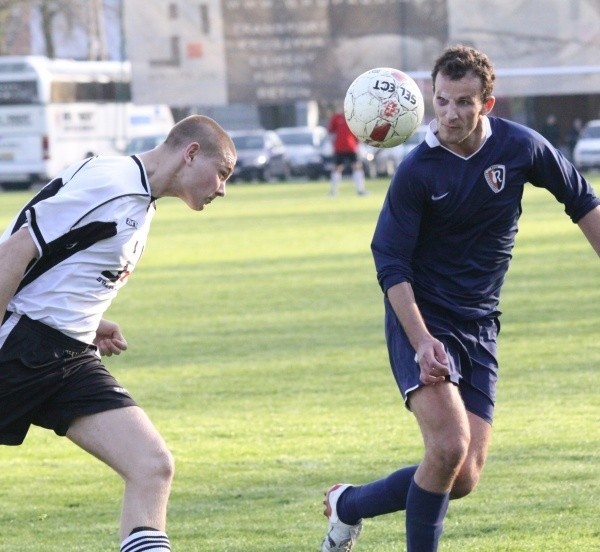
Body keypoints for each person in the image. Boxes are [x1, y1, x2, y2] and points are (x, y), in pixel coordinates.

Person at [320, 45, 600, 551]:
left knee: (463, 474)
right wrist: (423, 340)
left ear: (487, 104)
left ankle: (350, 504)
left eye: (464, 102)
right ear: (432, 96)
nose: (450, 113)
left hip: (480, 324)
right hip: (421, 321)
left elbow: (582, 201)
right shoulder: (417, 171)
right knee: (448, 446)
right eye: (443, 100)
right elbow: (390, 264)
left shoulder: (521, 148)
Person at [0, 115, 236, 552]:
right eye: (221, 173)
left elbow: (64, 263)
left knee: (151, 465)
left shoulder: (139, 200)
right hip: (18, 348)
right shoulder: (113, 185)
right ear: (190, 153)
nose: (222, 188)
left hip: (67, 357)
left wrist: (90, 324)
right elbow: (14, 250)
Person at [327, 106, 368, 196]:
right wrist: (331, 145)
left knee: (357, 167)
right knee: (337, 168)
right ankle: (333, 191)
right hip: (339, 147)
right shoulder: (336, 118)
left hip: (351, 147)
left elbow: (358, 132)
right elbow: (330, 132)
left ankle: (360, 190)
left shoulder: (353, 118)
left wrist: (359, 144)